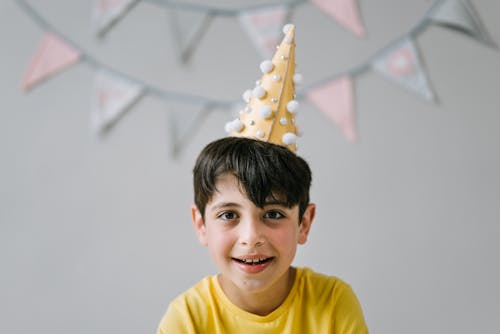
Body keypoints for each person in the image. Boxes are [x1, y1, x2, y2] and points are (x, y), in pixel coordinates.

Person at [157, 24, 368, 333]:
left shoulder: (334, 303)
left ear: (304, 223)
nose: (251, 236)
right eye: (229, 215)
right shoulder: (187, 319)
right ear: (201, 224)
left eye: (273, 214)